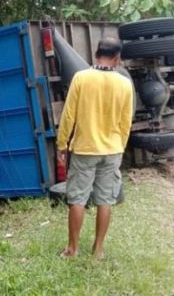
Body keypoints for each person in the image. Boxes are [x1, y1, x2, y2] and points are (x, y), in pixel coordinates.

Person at [56, 37, 134, 259]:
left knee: (77, 199)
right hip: (112, 150)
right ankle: (98, 250)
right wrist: (120, 146)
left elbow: (68, 114)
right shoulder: (124, 84)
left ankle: (72, 250)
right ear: (117, 58)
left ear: (95, 53)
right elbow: (125, 121)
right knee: (104, 200)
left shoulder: (81, 78)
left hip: (84, 149)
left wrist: (62, 145)